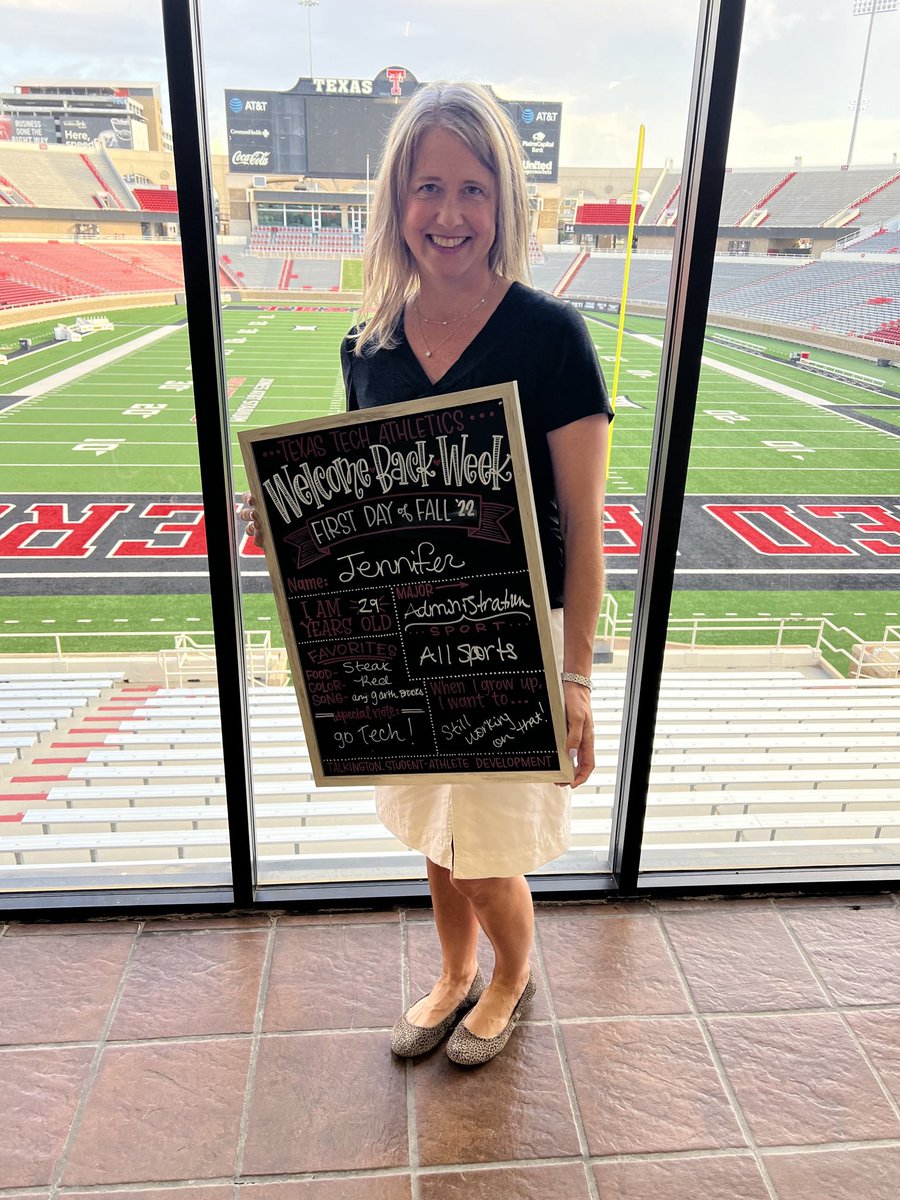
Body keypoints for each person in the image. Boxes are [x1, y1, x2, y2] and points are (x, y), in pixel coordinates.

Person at [240, 79, 612, 1067]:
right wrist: (286, 518)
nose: (449, 215)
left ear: (506, 203)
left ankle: (508, 975)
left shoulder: (552, 338)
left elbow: (585, 523)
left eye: (474, 188)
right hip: (406, 636)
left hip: (508, 635)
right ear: (397, 204)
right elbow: (362, 509)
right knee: (436, 840)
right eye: (428, 188)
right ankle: (452, 974)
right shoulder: (367, 347)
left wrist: (575, 676)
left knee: (486, 851)